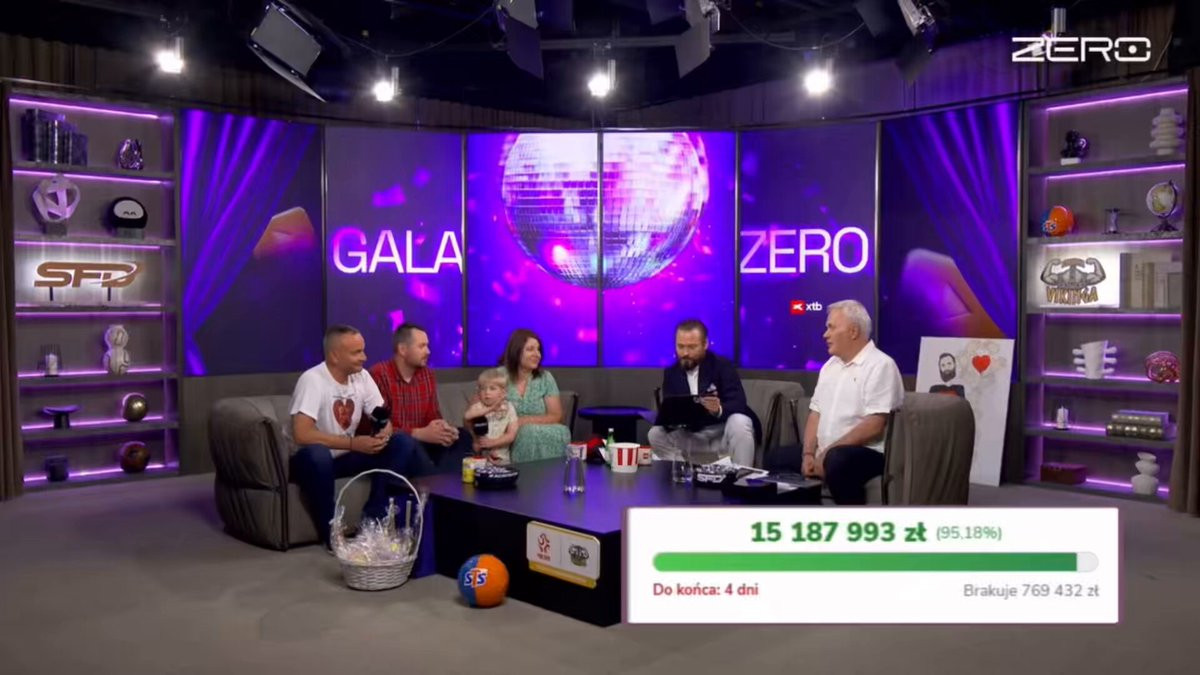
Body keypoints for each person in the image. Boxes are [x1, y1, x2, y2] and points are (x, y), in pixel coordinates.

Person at [289, 324, 422, 548]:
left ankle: (372, 523)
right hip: (310, 461)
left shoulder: (362, 377)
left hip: (345, 458)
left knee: (402, 443)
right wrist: (353, 443)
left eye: (363, 350)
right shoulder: (312, 380)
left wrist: (384, 431)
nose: (364, 357)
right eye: (356, 352)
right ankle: (333, 534)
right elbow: (302, 434)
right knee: (318, 455)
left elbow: (382, 416)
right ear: (335, 356)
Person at [766, 300, 904, 505]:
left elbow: (875, 424)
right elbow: (815, 413)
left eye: (831, 327)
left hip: (867, 453)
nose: (825, 334)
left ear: (853, 331)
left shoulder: (881, 365)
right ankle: (807, 514)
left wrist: (827, 453)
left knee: (837, 461)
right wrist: (808, 454)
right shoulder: (830, 366)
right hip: (828, 451)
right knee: (775, 458)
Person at [648, 319, 761, 467]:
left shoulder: (722, 366)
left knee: (740, 421)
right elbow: (671, 409)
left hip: (721, 433)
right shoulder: (671, 373)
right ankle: (685, 471)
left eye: (692, 347)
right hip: (693, 435)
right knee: (655, 433)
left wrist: (718, 409)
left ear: (705, 344)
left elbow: (738, 403)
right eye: (680, 347)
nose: (685, 353)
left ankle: (742, 475)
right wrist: (669, 419)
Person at [368, 323, 473, 474]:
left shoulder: (427, 374)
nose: (428, 351)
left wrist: (444, 429)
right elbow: (379, 429)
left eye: (427, 346)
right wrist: (418, 433)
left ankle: (443, 482)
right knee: (406, 443)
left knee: (462, 436)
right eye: (422, 346)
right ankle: (437, 483)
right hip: (396, 445)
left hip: (425, 441)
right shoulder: (379, 374)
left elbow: (433, 416)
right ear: (403, 349)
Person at [503, 329, 571, 462]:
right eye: (530, 349)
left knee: (561, 431)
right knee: (528, 433)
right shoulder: (498, 377)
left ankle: (550, 473)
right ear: (516, 351)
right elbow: (476, 414)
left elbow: (556, 415)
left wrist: (522, 421)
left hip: (539, 430)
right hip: (506, 434)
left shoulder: (545, 377)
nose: (537, 354)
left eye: (538, 350)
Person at [463, 367, 520, 465]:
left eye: (492, 388)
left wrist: (492, 442)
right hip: (479, 457)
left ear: (503, 392)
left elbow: (511, 435)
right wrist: (491, 408)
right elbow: (467, 416)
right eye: (483, 389)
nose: (487, 392)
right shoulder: (478, 407)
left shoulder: (509, 408)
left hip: (502, 458)